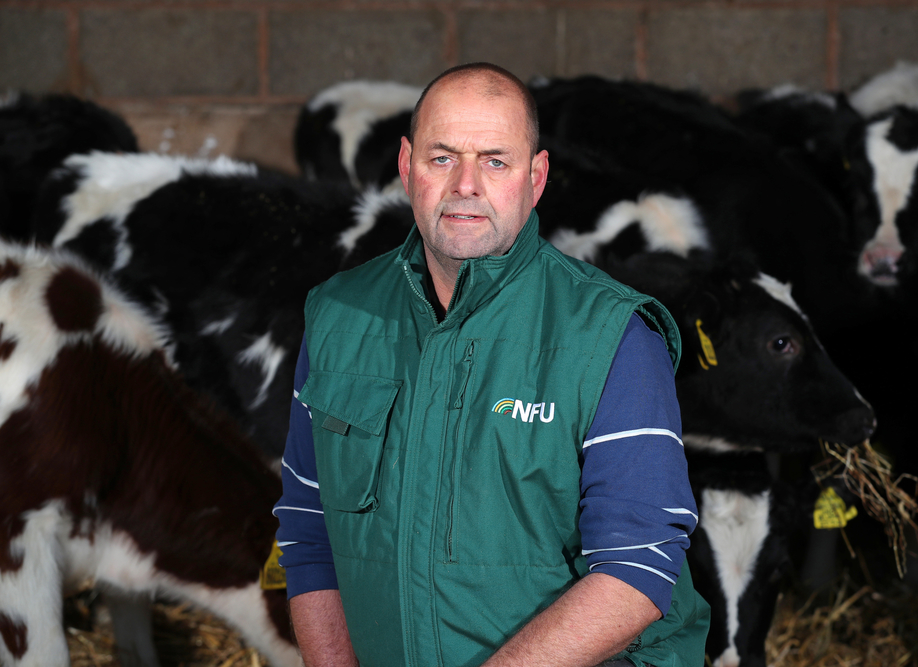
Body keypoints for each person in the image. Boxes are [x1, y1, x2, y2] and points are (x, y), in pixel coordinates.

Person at [273, 62, 710, 667]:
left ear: (536, 178)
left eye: (495, 161)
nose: (466, 185)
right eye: (442, 157)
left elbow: (638, 569)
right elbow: (307, 531)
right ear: (405, 166)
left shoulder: (610, 336)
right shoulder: (338, 319)